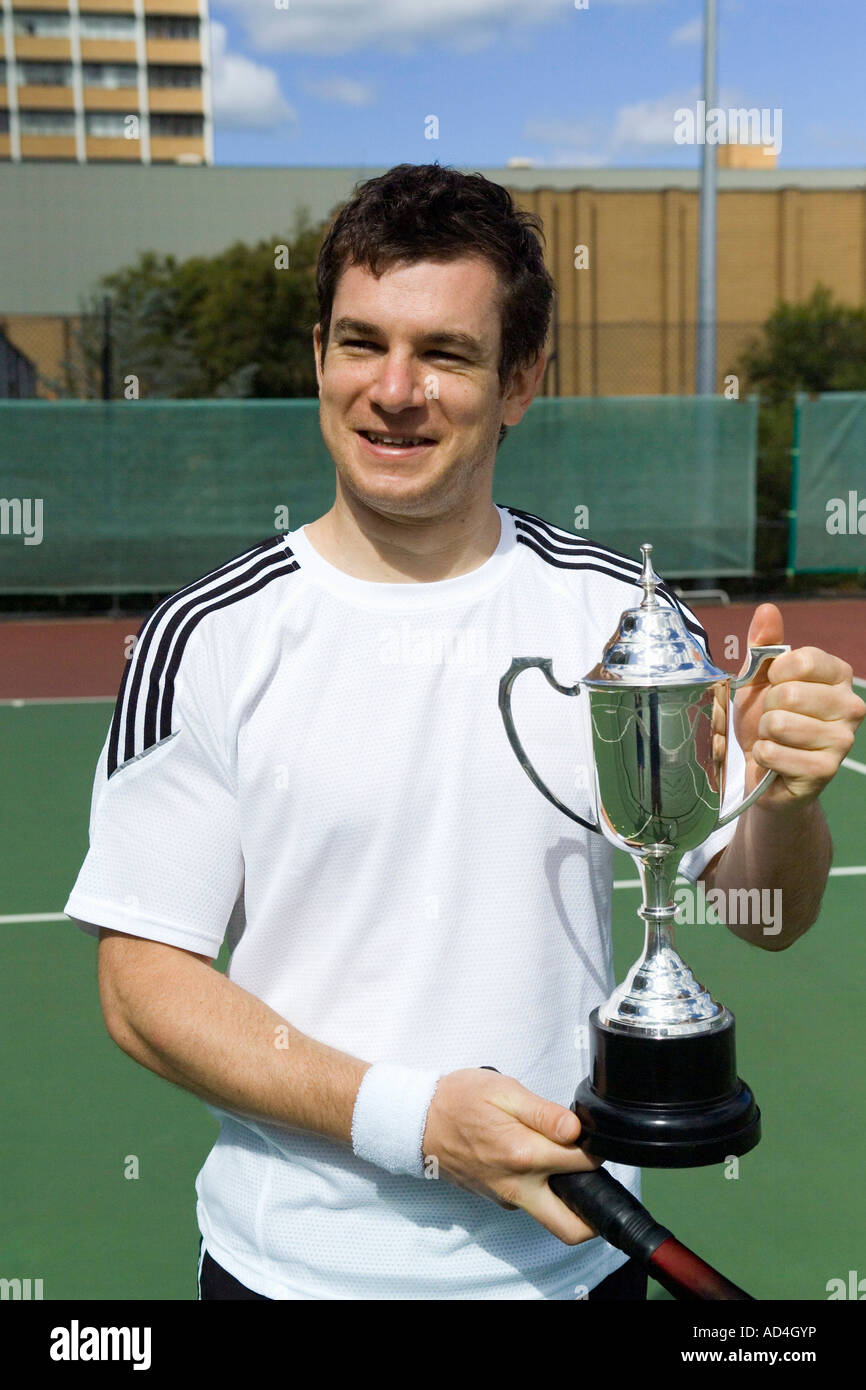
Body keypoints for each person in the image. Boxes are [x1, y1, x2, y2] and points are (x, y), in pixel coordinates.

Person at [65, 163, 865, 1302]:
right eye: (360, 343)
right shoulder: (205, 635)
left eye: (444, 354)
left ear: (521, 379)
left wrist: (784, 801)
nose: (394, 390)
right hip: (292, 1275)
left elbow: (769, 911)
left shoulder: (619, 621)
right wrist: (416, 1119)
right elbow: (143, 983)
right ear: (318, 355)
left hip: (577, 1266)